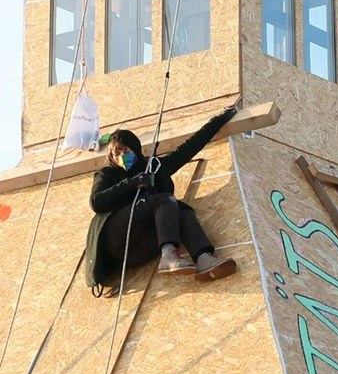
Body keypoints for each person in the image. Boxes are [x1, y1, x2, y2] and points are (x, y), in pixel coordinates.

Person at [82, 104, 243, 291]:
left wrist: (219, 120)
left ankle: (204, 257)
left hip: (140, 247)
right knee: (163, 199)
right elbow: (97, 202)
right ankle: (168, 255)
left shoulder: (155, 167)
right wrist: (132, 183)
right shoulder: (108, 174)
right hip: (117, 239)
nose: (121, 157)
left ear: (136, 150)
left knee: (181, 210)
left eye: (125, 151)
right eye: (115, 154)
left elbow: (190, 147)